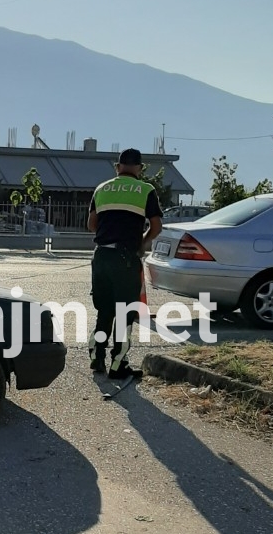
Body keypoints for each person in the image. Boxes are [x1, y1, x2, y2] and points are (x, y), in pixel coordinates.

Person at [87, 148, 163, 379]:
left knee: (104, 310)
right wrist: (142, 242)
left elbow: (92, 224)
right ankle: (118, 365)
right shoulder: (146, 190)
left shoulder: (101, 188)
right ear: (140, 168)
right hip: (126, 259)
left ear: (117, 167)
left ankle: (96, 357)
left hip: (101, 256)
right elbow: (156, 226)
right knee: (125, 313)